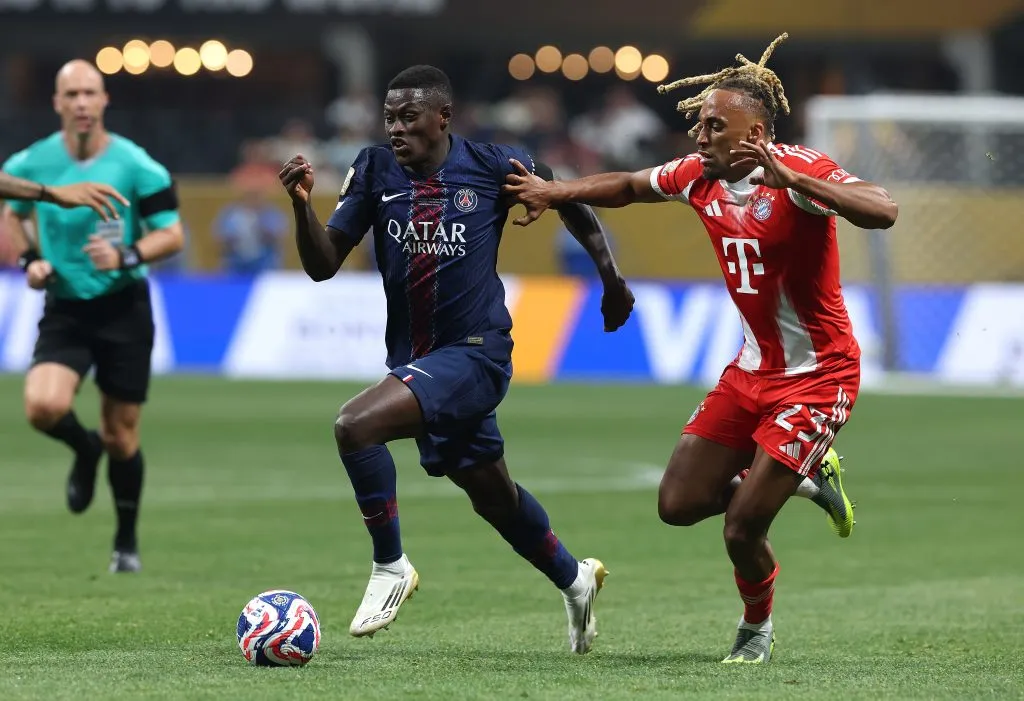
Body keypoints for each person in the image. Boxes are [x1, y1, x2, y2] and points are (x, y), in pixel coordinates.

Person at [503, 34, 898, 663]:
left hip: (820, 376)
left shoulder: (800, 175)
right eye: (699, 122)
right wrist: (555, 193)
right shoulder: (697, 178)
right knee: (677, 505)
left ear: (756, 133)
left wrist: (793, 176)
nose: (701, 134)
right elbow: (630, 185)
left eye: (715, 124)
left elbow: (883, 210)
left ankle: (756, 628)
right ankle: (806, 477)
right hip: (749, 371)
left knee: (742, 526)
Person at [279, 65, 635, 654]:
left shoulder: (494, 165)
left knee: (355, 426)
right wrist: (300, 206)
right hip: (420, 361)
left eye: (409, 117)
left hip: (477, 353)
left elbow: (566, 199)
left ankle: (391, 565)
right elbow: (323, 264)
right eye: (389, 117)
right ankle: (576, 580)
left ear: (442, 118)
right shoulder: (374, 170)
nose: (396, 128)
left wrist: (611, 278)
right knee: (496, 499)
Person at [1, 59, 185, 573]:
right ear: (57, 103)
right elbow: (11, 212)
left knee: (122, 434)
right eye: (71, 94)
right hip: (66, 305)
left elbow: (173, 234)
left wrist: (126, 254)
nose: (82, 102)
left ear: (104, 100)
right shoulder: (32, 163)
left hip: (124, 307)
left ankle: (125, 542)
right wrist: (28, 259)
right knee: (41, 406)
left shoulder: (136, 165)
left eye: (90, 93)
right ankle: (84, 451)